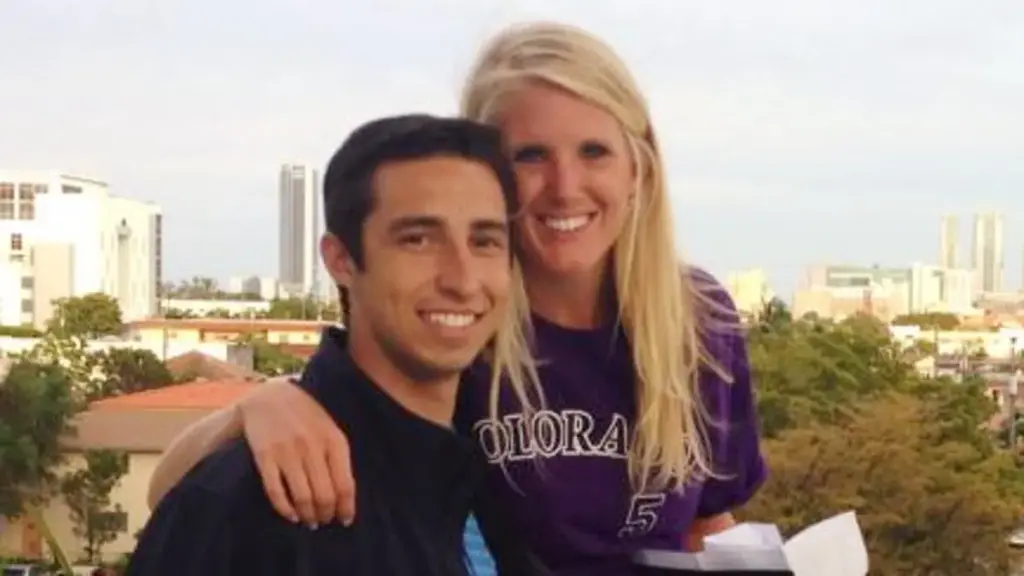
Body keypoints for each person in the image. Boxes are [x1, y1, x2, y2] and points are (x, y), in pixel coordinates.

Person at [147, 22, 767, 575]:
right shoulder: (458, 321)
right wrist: (260, 406)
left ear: (639, 167)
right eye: (531, 156)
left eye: (594, 152)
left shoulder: (696, 319)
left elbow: (704, 522)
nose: (565, 186)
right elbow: (178, 498)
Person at [126, 114, 548, 575]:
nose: (463, 281)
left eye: (484, 241)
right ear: (341, 259)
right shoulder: (252, 501)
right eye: (418, 240)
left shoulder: (495, 467)